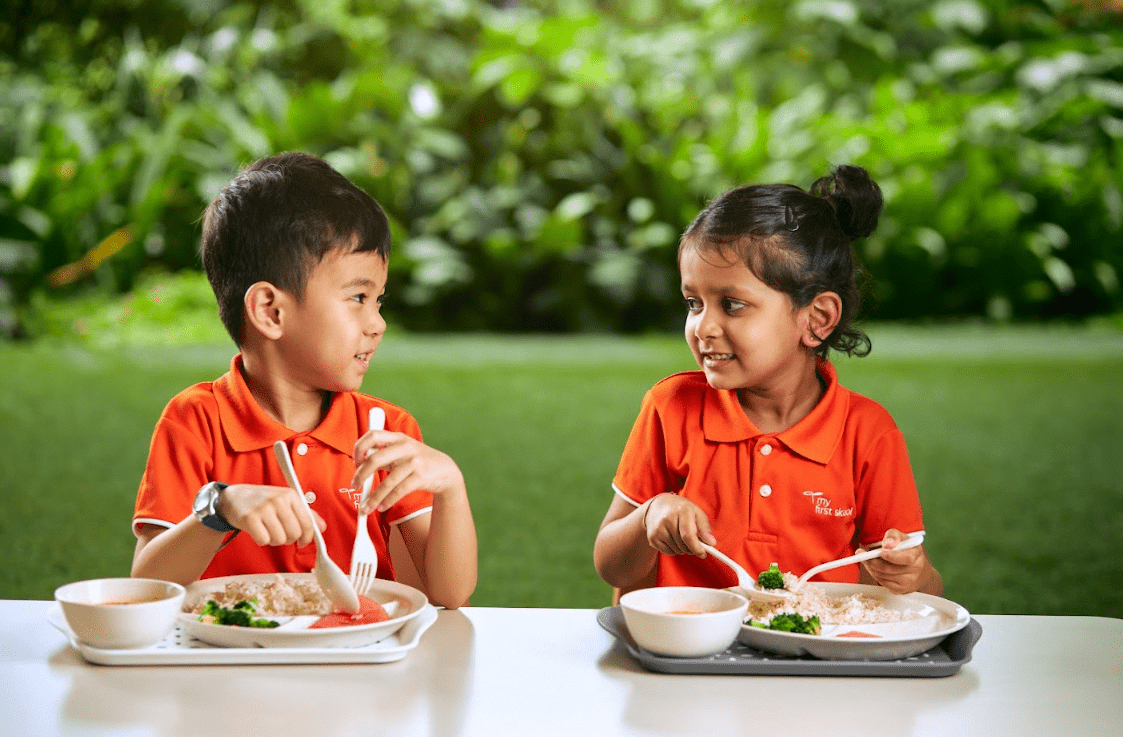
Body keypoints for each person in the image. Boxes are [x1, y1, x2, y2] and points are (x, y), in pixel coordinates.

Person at [131, 152, 477, 609]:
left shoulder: (385, 431)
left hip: (356, 660)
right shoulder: (195, 421)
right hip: (227, 663)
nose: (378, 324)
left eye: (378, 301)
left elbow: (450, 594)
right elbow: (148, 587)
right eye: (358, 297)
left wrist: (450, 485)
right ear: (271, 311)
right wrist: (220, 509)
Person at [593, 165, 942, 599]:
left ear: (817, 319)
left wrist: (911, 574)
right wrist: (649, 517)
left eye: (732, 304)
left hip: (814, 659)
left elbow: (925, 593)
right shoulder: (671, 406)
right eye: (693, 303)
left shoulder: (868, 433)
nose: (703, 327)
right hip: (689, 651)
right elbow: (611, 564)